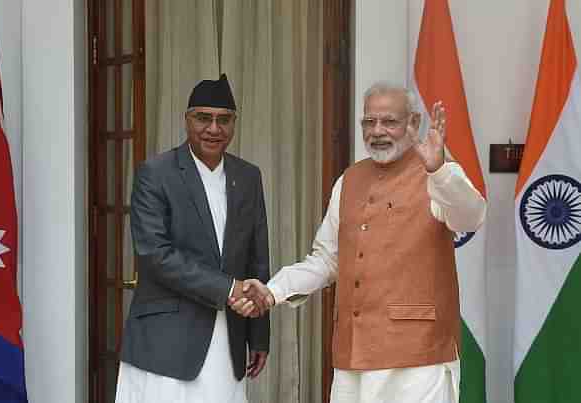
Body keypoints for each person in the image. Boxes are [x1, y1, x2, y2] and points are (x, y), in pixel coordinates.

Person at [231, 82, 487, 403]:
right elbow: (326, 261)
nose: (377, 131)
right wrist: (274, 291)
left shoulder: (437, 173)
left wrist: (438, 170)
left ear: (414, 123)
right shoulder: (348, 180)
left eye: (389, 121)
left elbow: (470, 216)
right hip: (353, 356)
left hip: (418, 358)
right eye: (369, 122)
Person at [115, 74, 270, 403]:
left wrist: (258, 335)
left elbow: (257, 258)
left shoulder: (248, 176)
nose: (214, 129)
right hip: (165, 344)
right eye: (203, 118)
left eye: (224, 120)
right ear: (187, 120)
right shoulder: (155, 173)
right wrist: (229, 288)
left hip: (228, 338)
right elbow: (155, 255)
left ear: (234, 124)